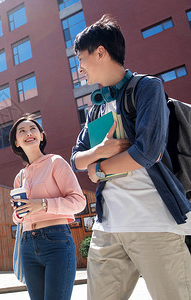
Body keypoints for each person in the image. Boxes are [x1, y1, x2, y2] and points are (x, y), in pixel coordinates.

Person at [71, 14, 191, 300]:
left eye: (80, 59)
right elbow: (76, 159)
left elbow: (147, 152)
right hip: (107, 228)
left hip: (154, 223)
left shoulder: (147, 87)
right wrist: (99, 153)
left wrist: (98, 170)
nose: (79, 69)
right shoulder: (95, 108)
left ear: (100, 52)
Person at [9, 114, 86, 300]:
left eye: (33, 129)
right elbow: (17, 218)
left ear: (41, 136)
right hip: (27, 244)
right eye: (22, 131)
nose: (28, 133)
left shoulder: (55, 162)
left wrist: (42, 204)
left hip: (56, 241)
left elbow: (79, 201)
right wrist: (19, 212)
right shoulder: (20, 177)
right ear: (17, 142)